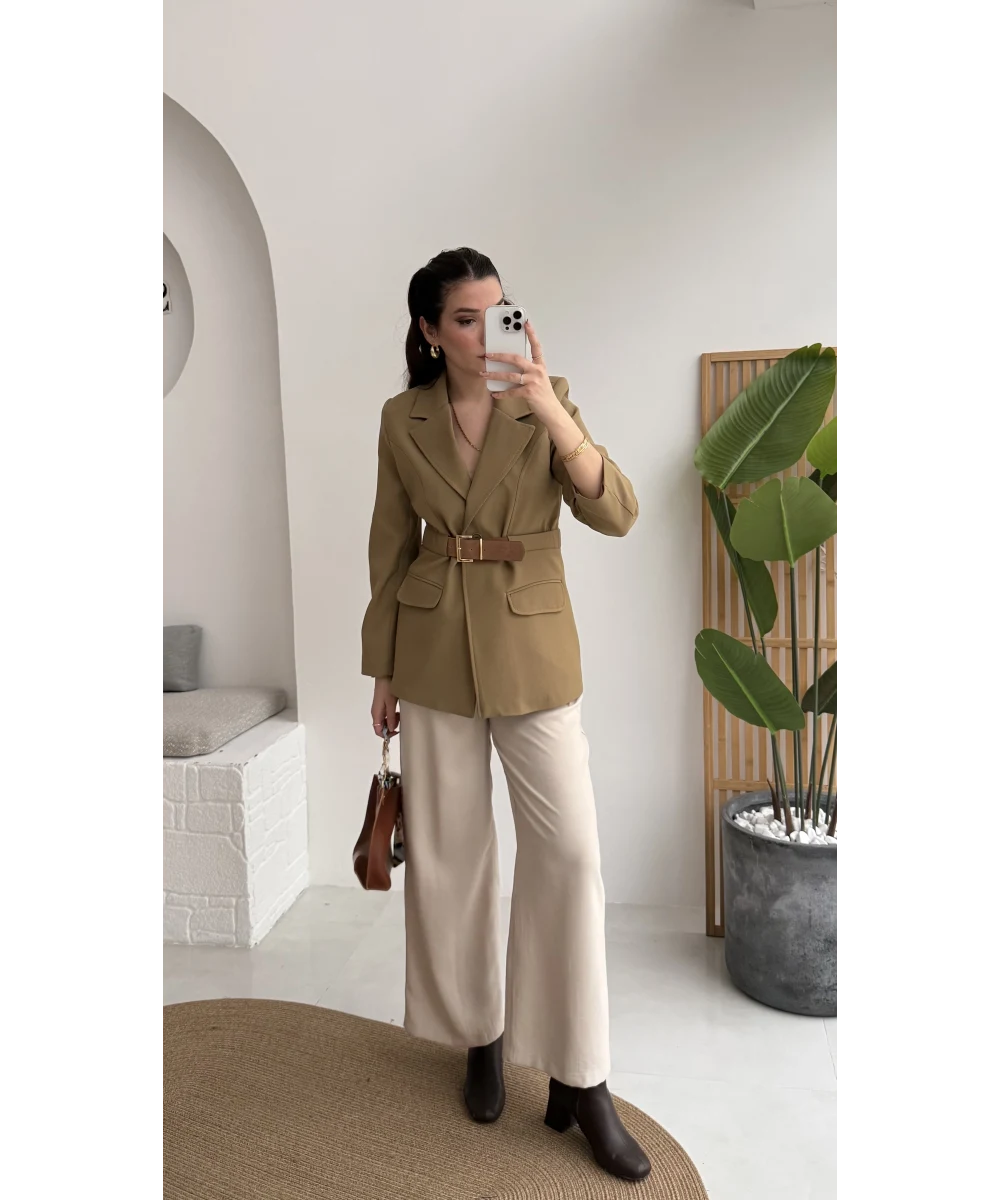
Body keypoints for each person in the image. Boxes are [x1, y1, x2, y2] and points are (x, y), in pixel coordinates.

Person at [361, 247, 650, 1182]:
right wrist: (383, 668)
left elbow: (618, 513)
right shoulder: (401, 419)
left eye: (499, 311)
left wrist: (551, 410)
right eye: (466, 318)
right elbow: (388, 546)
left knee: (570, 856)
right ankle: (478, 1037)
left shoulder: (544, 397)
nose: (488, 331)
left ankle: (582, 1078)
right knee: (452, 858)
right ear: (429, 331)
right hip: (433, 649)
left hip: (533, 649)